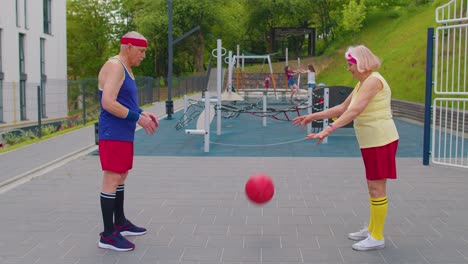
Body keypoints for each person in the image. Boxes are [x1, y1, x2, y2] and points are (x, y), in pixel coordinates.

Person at [293, 45, 399, 251]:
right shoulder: (363, 82)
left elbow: (355, 111)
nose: (348, 69)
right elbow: (343, 108)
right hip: (371, 141)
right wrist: (312, 116)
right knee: (372, 187)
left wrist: (328, 130)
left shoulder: (373, 81)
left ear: (361, 63)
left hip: (381, 140)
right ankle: (372, 228)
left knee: (377, 188)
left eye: (350, 64)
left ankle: (377, 236)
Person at [97, 31, 159, 252]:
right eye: (141, 51)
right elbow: (108, 102)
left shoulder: (127, 69)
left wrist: (143, 113)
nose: (143, 55)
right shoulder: (115, 65)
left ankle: (120, 222)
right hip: (112, 132)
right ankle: (107, 234)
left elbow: (127, 102)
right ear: (128, 47)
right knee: (112, 177)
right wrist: (137, 118)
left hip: (123, 132)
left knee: (121, 175)